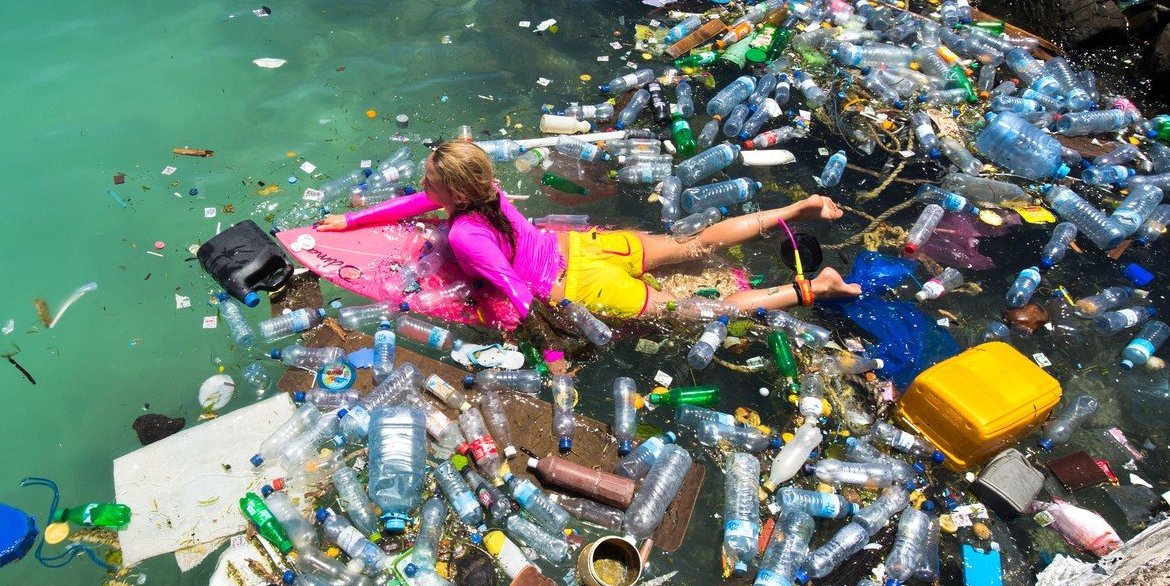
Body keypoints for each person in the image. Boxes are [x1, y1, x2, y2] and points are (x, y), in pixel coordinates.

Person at [315, 140, 859, 329]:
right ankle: (801, 207)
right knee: (693, 246)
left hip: (586, 287)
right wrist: (355, 221)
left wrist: (549, 351)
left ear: (456, 192)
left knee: (700, 312)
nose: (421, 185)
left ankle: (819, 287)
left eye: (430, 180)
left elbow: (517, 292)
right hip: (583, 246)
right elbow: (423, 201)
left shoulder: (463, 239)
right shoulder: (490, 192)